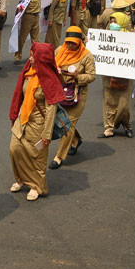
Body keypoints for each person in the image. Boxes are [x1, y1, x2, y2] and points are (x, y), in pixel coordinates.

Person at [8, 42, 63, 201]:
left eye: (33, 56)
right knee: (15, 150)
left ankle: (36, 186)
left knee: (37, 157)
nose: (30, 58)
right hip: (22, 120)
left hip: (38, 125)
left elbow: (51, 109)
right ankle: (21, 179)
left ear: (41, 59)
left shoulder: (50, 79)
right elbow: (20, 96)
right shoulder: (28, 72)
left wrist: (46, 134)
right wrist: (14, 115)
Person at [49, 26, 95, 169]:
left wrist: (78, 77)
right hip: (59, 92)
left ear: (79, 42)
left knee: (69, 124)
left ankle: (59, 157)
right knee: (61, 120)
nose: (70, 46)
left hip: (76, 94)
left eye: (73, 43)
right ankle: (75, 140)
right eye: (68, 42)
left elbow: (92, 76)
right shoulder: (58, 51)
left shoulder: (87, 56)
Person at [100, 12, 134, 138]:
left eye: (116, 21)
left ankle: (126, 124)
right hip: (108, 76)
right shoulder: (104, 37)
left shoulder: (131, 38)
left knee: (123, 105)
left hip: (125, 77)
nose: (113, 24)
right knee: (109, 102)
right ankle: (108, 128)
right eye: (111, 21)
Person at [15, 0, 43, 65]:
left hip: (36, 16)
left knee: (36, 39)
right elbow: (22, 3)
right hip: (28, 16)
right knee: (22, 37)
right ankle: (18, 56)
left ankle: (35, 56)